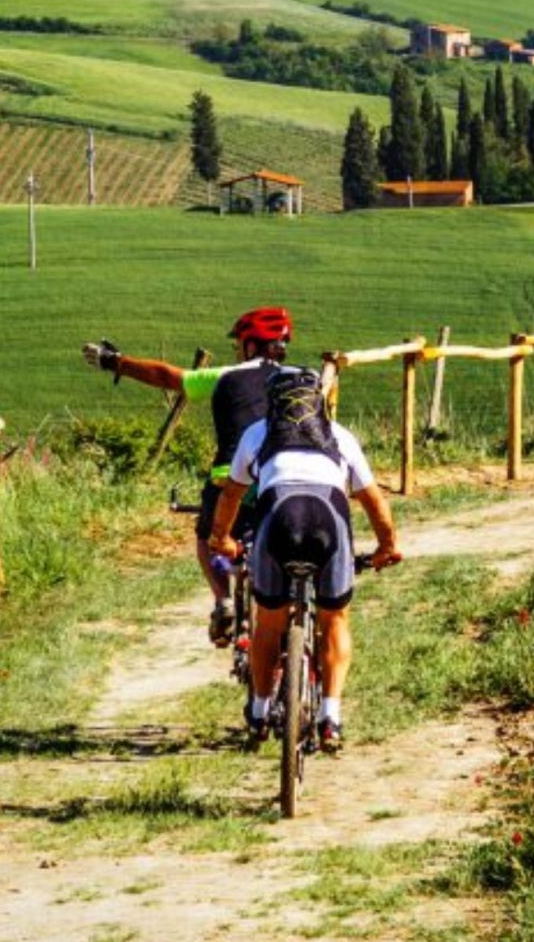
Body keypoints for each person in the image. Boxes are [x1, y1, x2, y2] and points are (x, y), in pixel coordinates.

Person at [206, 364, 401, 754]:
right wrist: (387, 546)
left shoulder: (257, 433)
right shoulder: (340, 436)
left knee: (269, 623)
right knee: (334, 619)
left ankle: (260, 711)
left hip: (278, 516)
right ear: (319, 401)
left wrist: (221, 538)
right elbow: (373, 500)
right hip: (328, 517)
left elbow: (230, 495)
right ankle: (331, 716)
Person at [82, 306, 293, 645]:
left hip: (230, 480)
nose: (237, 352)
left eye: (239, 345)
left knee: (207, 538)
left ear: (251, 346)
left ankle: (223, 597)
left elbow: (168, 377)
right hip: (282, 478)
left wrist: (116, 362)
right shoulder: (298, 379)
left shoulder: (226, 377)